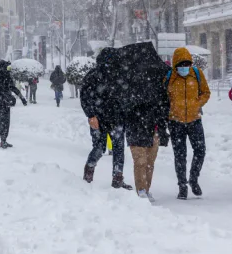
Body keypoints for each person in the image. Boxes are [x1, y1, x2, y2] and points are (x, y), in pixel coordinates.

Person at [80, 48, 131, 189]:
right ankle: (89, 170)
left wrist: (126, 113)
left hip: (117, 119)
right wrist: (91, 115)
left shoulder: (122, 75)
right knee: (99, 147)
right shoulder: (93, 75)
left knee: (118, 149)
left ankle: (117, 178)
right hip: (98, 118)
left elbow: (127, 97)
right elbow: (85, 97)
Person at [125, 46, 170, 202]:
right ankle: (141, 190)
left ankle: (146, 188)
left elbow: (163, 107)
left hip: (153, 129)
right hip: (136, 128)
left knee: (150, 162)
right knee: (140, 161)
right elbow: (126, 106)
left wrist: (163, 129)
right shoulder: (129, 82)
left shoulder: (158, 83)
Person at [165, 47, 210, 199]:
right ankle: (182, 185)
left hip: (194, 119)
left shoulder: (196, 74)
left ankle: (193, 178)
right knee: (180, 155)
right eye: (181, 65)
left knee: (200, 150)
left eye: (187, 64)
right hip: (175, 121)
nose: (184, 68)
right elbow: (164, 96)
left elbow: (206, 92)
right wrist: (171, 108)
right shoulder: (170, 77)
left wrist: (197, 104)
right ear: (175, 65)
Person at [0, 60, 27, 148]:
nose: (10, 69)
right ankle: (3, 141)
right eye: (9, 67)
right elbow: (13, 88)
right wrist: (22, 98)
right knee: (5, 121)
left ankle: (3, 140)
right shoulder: (5, 75)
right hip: (4, 101)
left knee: (3, 121)